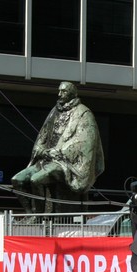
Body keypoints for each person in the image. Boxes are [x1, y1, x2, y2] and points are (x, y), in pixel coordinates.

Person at [11, 81, 105, 215]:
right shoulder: (54, 111)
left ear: (72, 94)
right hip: (46, 159)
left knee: (35, 179)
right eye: (59, 91)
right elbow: (42, 135)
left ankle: (39, 215)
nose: (59, 94)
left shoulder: (83, 113)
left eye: (63, 91)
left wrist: (59, 152)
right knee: (17, 180)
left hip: (65, 162)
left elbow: (84, 141)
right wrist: (41, 150)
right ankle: (30, 214)